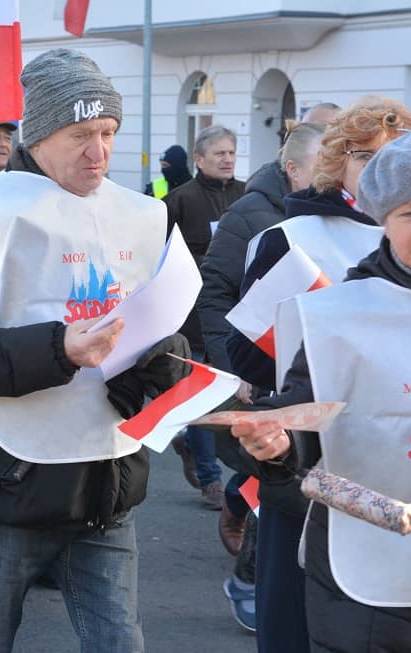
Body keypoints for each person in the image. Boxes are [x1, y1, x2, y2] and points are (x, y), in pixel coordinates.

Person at [0, 48, 191, 653]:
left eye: (108, 132)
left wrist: (165, 358)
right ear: (37, 137)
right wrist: (58, 349)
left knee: (121, 644)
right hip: (4, 487)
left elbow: (161, 325)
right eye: (80, 134)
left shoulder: (144, 214)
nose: (99, 152)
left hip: (107, 481)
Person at [233, 126, 411, 653]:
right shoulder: (340, 314)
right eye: (408, 213)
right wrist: (278, 441)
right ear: (383, 220)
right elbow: (302, 419)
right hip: (366, 586)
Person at [226, 97, 411, 653]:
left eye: (398, 155)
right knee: (296, 623)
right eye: (366, 156)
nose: (383, 170)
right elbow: (247, 356)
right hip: (309, 463)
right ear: (337, 162)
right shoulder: (290, 238)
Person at [196, 120, 325, 632]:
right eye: (324, 167)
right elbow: (216, 294)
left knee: (278, 483)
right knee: (274, 485)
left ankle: (237, 511)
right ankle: (250, 580)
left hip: (317, 382)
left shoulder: (352, 221)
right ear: (293, 169)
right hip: (264, 376)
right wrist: (232, 370)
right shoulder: (251, 215)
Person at [164, 125, 247, 510]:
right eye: (219, 154)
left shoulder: (246, 195)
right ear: (199, 160)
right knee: (199, 398)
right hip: (192, 316)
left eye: (231, 153)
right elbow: (161, 255)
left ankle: (193, 445)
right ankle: (211, 480)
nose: (227, 160)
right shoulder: (180, 200)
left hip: (237, 315)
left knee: (232, 398)